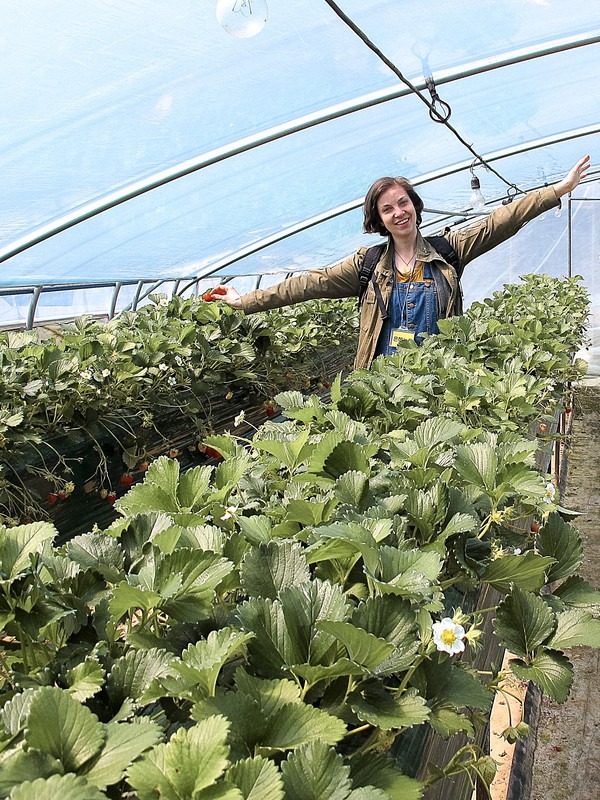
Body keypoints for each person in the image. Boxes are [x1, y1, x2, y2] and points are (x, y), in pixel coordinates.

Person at [210, 155, 591, 370]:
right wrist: (246, 301)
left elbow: (503, 219)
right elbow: (307, 285)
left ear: (415, 205)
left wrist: (558, 190)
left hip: (439, 377)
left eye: (403, 202)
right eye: (387, 208)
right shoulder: (368, 264)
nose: (399, 212)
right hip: (380, 379)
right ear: (379, 219)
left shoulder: (449, 249)